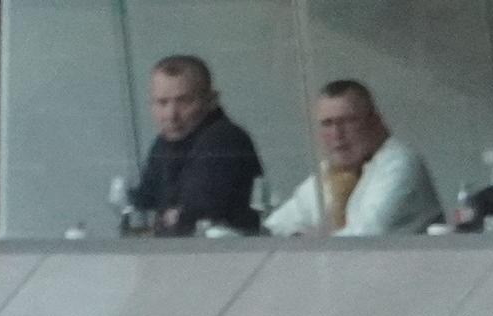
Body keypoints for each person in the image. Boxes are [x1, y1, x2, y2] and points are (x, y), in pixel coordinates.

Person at [262, 80, 437, 237]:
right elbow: (274, 228)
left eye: (348, 121)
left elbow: (364, 237)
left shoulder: (400, 163)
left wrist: (313, 239)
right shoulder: (331, 172)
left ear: (375, 122)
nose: (337, 134)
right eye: (327, 124)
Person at [129, 54, 262, 235]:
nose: (171, 114)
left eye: (183, 101)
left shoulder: (225, 140)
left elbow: (195, 215)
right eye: (162, 102)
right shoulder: (163, 143)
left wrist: (171, 217)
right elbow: (143, 203)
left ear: (211, 100)